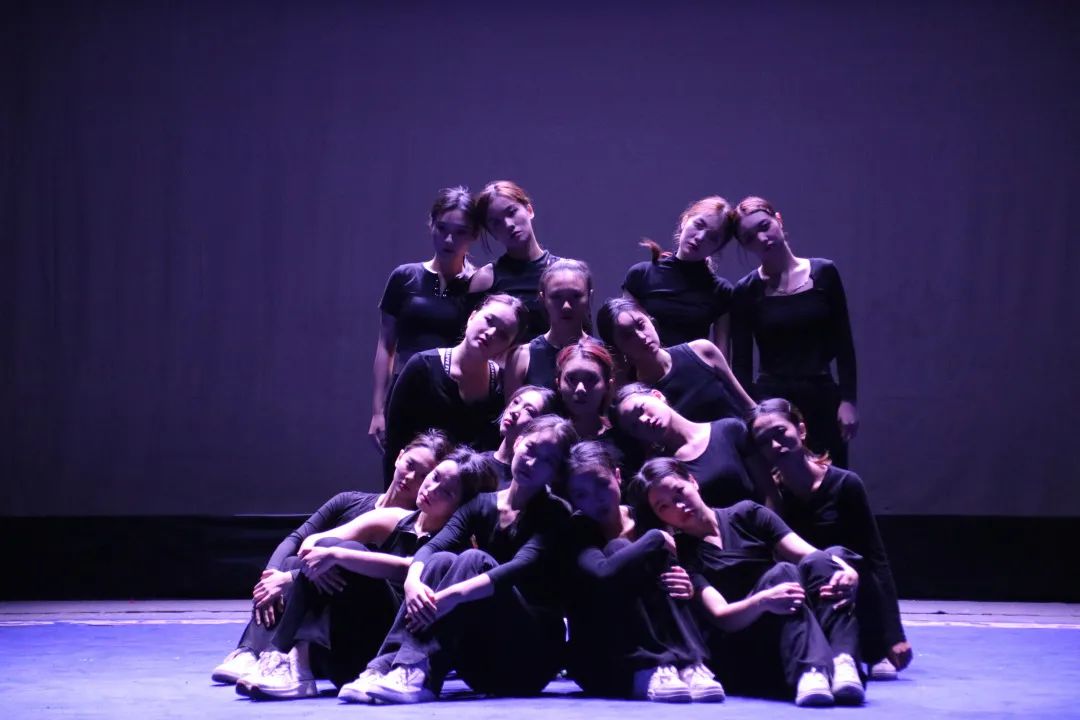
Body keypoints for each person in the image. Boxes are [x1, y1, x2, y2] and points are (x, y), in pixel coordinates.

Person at [338, 415, 579, 704]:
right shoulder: (481, 504)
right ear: (517, 443)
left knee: (473, 559)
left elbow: (516, 569)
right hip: (480, 661)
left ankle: (416, 671)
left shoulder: (556, 514)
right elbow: (433, 546)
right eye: (531, 449)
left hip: (527, 660)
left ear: (556, 472)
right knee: (440, 559)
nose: (532, 462)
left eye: (547, 460)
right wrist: (413, 582)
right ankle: (386, 667)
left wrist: (449, 597)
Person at [236, 447, 498, 700]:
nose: (431, 488)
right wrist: (307, 568)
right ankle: (286, 658)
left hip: (387, 650)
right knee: (327, 551)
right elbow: (312, 543)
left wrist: (338, 557)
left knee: (344, 553)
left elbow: (409, 567)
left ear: (462, 505)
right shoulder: (396, 517)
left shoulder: (457, 544)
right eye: (435, 476)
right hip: (344, 645)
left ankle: (290, 661)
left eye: (447, 492)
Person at [210, 431, 451, 684]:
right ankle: (251, 652)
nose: (411, 478)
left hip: (363, 623)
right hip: (323, 611)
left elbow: (395, 570)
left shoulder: (419, 525)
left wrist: (291, 578)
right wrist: (269, 581)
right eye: (410, 465)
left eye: (423, 476)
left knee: (331, 556)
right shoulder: (349, 501)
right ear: (399, 457)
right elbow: (298, 540)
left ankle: (291, 657)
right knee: (289, 565)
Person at [632, 457, 866, 708]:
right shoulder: (682, 554)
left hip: (789, 620)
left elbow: (808, 554)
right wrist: (763, 601)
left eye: (679, 491)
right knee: (783, 572)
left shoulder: (747, 514)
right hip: (744, 641)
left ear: (693, 481)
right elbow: (722, 616)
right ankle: (811, 670)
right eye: (663, 506)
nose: (678, 505)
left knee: (824, 561)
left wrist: (846, 569)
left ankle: (843, 661)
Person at [748, 398, 911, 680]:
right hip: (806, 592)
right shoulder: (770, 496)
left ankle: (862, 650)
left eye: (780, 432)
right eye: (764, 441)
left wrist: (894, 635)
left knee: (838, 554)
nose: (774, 445)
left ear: (801, 430)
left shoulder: (845, 484)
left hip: (850, 587)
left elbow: (876, 559)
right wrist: (771, 498)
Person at [562, 441, 723, 703]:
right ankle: (654, 667)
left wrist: (687, 585)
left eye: (601, 484)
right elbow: (604, 572)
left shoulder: (645, 518)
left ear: (617, 476)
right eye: (581, 494)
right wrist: (656, 537)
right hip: (603, 655)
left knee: (659, 564)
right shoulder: (576, 531)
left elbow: (674, 577)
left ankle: (690, 665)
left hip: (667, 651)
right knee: (618, 548)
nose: (596, 499)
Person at [729, 196, 858, 468]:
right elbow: (741, 363)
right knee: (782, 480)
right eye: (750, 238)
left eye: (764, 226)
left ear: (778, 219)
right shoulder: (746, 291)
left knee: (830, 476)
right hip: (774, 404)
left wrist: (848, 400)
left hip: (821, 395)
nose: (762, 238)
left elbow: (844, 342)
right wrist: (752, 415)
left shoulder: (824, 272)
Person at [370, 187, 480, 452]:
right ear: (431, 224)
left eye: (460, 232)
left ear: (474, 235)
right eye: (442, 229)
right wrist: (377, 410)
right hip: (406, 390)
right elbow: (386, 344)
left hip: (454, 396)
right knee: (402, 468)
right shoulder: (405, 276)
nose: (449, 239)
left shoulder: (477, 284)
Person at [381, 293, 527, 487]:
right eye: (489, 320)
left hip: (468, 495)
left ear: (509, 346)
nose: (491, 333)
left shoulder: (501, 385)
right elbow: (394, 444)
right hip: (414, 487)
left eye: (502, 335)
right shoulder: (422, 367)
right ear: (472, 317)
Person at [610, 383, 775, 510]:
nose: (643, 420)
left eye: (641, 409)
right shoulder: (660, 469)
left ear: (658, 396)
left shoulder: (729, 430)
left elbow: (770, 493)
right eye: (634, 426)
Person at [598, 296, 754, 422]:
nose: (641, 336)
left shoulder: (702, 351)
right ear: (617, 347)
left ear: (650, 321)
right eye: (627, 335)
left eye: (641, 324)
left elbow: (749, 407)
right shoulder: (638, 398)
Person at [622, 196, 736, 350]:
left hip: (693, 366)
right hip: (643, 365)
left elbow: (721, 354)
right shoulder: (641, 274)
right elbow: (623, 336)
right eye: (699, 225)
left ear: (718, 247)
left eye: (713, 237)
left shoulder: (721, 290)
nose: (700, 237)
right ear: (685, 221)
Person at [469, 180, 561, 340]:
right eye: (496, 223)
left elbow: (583, 340)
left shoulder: (564, 272)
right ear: (492, 233)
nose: (508, 224)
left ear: (529, 210)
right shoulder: (485, 279)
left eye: (511, 212)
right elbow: (470, 341)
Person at [504, 259, 593, 397]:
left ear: (589, 297)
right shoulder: (522, 356)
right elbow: (512, 408)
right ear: (543, 298)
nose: (566, 306)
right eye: (556, 297)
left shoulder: (605, 355)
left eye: (576, 296)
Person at [484, 384, 558, 488]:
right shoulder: (478, 465)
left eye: (529, 411)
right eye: (515, 402)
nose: (514, 411)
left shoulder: (530, 485)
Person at [554, 338, 616, 443]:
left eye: (591, 379)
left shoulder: (621, 440)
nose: (580, 389)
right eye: (571, 379)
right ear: (558, 384)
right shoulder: (550, 441)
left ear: (608, 386)